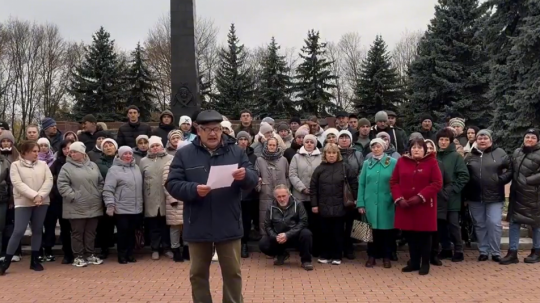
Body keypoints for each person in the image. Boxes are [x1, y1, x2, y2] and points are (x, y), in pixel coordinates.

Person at [165, 110, 257, 303]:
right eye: (207, 129)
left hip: (228, 221)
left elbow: (253, 177)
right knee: (198, 274)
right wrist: (194, 189)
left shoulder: (236, 151)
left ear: (222, 130)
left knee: (233, 273)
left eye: (216, 129)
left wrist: (245, 176)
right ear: (198, 130)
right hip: (198, 222)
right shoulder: (184, 154)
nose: (212, 133)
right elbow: (172, 184)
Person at [390, 138, 442, 275]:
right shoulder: (401, 161)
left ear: (424, 150)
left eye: (419, 147)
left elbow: (437, 183)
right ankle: (414, 262)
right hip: (406, 205)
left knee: (424, 236)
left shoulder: (432, 162)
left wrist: (420, 196)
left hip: (424, 206)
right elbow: (394, 181)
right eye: (413, 147)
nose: (416, 150)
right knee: (410, 235)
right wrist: (399, 198)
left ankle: (425, 263)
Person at [0, 141, 53, 274]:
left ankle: (35, 260)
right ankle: (6, 261)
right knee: (18, 231)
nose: (37, 153)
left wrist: (40, 196)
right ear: (25, 152)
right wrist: (34, 195)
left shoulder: (44, 165)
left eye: (37, 151)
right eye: (34, 151)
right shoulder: (15, 165)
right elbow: (17, 183)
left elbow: (49, 181)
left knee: (37, 229)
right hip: (23, 202)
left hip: (41, 202)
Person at [464, 129, 512, 262]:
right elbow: (464, 174)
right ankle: (483, 251)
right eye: (480, 138)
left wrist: (500, 180)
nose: (482, 140)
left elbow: (510, 169)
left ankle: (495, 252)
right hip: (475, 196)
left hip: (495, 195)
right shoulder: (469, 156)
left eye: (485, 138)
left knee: (494, 223)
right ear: (476, 140)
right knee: (479, 224)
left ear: (490, 140)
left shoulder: (499, 153)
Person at [57, 142, 104, 267]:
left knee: (91, 232)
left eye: (75, 151)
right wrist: (73, 196)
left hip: (94, 204)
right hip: (76, 205)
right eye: (70, 152)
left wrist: (98, 194)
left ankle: (90, 254)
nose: (71, 153)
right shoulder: (66, 167)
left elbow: (100, 182)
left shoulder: (93, 165)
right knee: (77, 232)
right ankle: (78, 256)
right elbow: (62, 185)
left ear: (82, 153)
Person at [310, 143, 358, 265]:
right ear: (325, 155)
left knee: (338, 232)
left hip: (340, 206)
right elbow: (313, 188)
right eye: (329, 153)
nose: (331, 156)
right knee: (324, 232)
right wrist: (314, 205)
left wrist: (355, 199)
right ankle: (325, 254)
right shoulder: (319, 169)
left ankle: (337, 255)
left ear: (338, 154)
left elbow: (353, 184)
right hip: (323, 206)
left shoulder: (345, 167)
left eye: (334, 153)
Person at [502, 129, 540, 265]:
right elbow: (511, 170)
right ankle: (512, 253)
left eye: (533, 137)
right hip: (516, 194)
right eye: (527, 137)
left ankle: (537, 251)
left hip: (534, 195)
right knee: (514, 222)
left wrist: (527, 181)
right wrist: (500, 179)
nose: (529, 139)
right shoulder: (518, 152)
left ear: (537, 140)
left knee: (536, 224)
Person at [357, 138, 397, 268]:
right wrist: (361, 203)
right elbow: (362, 184)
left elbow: (397, 182)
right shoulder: (367, 163)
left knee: (386, 232)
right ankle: (371, 256)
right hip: (370, 203)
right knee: (370, 232)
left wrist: (392, 197)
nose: (375, 149)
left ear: (384, 147)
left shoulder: (392, 162)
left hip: (387, 203)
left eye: (378, 146)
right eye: (373, 146)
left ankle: (386, 256)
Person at [103, 146, 144, 264]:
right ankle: (121, 254)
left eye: (130, 154)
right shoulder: (114, 170)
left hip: (136, 207)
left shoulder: (136, 167)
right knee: (122, 232)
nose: (128, 156)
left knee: (132, 232)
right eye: (125, 154)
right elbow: (108, 189)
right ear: (120, 155)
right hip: (121, 207)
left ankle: (130, 253)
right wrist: (110, 205)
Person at [434, 129, 469, 263]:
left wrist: (454, 190)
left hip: (452, 197)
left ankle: (459, 250)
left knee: (453, 224)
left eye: (446, 140)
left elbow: (464, 175)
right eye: (441, 140)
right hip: (438, 197)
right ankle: (446, 248)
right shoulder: (435, 156)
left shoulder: (456, 157)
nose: (443, 142)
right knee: (441, 225)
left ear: (450, 142)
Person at [259, 185, 313, 270]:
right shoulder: (271, 207)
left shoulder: (298, 204)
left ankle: (306, 260)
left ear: (289, 194)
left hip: (295, 235)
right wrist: (275, 237)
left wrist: (287, 234)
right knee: (263, 243)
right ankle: (281, 254)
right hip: (279, 236)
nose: (281, 199)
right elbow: (267, 225)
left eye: (284, 196)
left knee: (306, 234)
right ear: (275, 197)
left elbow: (303, 222)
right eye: (279, 197)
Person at [140, 136, 173, 260]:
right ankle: (155, 248)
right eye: (152, 146)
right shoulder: (143, 161)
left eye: (157, 145)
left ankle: (167, 247)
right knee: (153, 225)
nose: (155, 148)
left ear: (162, 146)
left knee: (166, 225)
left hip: (167, 196)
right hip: (150, 198)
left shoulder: (170, 158)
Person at [289, 134, 322, 256]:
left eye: (311, 142)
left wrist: (314, 189)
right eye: (306, 141)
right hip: (300, 196)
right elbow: (292, 174)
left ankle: (315, 248)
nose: (309, 144)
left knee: (315, 223)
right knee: (301, 222)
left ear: (315, 144)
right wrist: (302, 188)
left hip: (316, 196)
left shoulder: (321, 157)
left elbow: (323, 174)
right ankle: (301, 247)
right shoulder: (296, 157)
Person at [337, 129, 364, 259]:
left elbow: (362, 170)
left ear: (350, 140)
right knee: (339, 221)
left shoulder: (357, 154)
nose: (344, 140)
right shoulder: (334, 152)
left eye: (346, 137)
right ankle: (340, 247)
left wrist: (353, 182)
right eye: (341, 137)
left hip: (354, 190)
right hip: (337, 191)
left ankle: (350, 247)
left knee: (352, 221)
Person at [162, 141, 190, 262]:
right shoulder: (170, 163)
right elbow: (165, 183)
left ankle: (187, 249)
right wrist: (173, 198)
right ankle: (175, 249)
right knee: (175, 227)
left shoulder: (191, 162)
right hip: (175, 201)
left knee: (187, 226)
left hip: (188, 200)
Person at [255, 137, 289, 234]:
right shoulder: (259, 160)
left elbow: (288, 176)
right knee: (265, 217)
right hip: (265, 193)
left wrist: (286, 189)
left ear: (277, 146)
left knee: (281, 217)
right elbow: (256, 176)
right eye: (270, 145)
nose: (272, 147)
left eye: (274, 145)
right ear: (266, 146)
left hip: (281, 194)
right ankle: (265, 239)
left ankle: (281, 239)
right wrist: (259, 185)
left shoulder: (283, 160)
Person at [48, 139, 74, 264]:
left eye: (69, 148)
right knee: (65, 228)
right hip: (60, 201)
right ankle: (67, 253)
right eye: (64, 148)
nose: (67, 151)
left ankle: (78, 251)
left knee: (76, 229)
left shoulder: (81, 162)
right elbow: (49, 179)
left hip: (75, 200)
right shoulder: (57, 163)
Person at [94, 138, 118, 259]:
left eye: (111, 145)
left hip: (121, 197)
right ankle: (105, 248)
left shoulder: (121, 160)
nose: (108, 147)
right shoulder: (98, 163)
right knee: (105, 225)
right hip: (105, 198)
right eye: (106, 146)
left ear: (116, 147)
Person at [236, 131, 258, 258]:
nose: (243, 141)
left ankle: (244, 244)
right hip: (234, 193)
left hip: (248, 194)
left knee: (246, 220)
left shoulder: (254, 157)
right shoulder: (232, 154)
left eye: (245, 139)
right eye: (241, 139)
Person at [0, 132, 12, 258]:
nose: (5, 143)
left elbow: (10, 182)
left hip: (3, 197)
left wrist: (11, 199)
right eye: (3, 141)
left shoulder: (5, 162)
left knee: (2, 226)